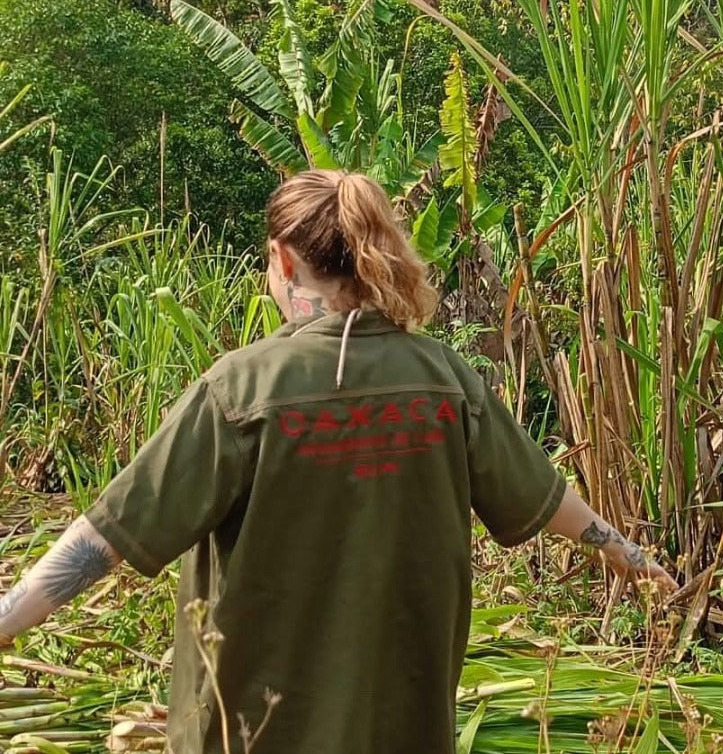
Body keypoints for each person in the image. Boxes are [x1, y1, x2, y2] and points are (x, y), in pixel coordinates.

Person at [0, 171, 676, 754]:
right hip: (402, 724)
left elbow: (110, 535)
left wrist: (7, 620)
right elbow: (539, 492)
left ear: (284, 262)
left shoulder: (243, 390)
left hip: (256, 728)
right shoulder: (445, 378)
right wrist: (626, 554)